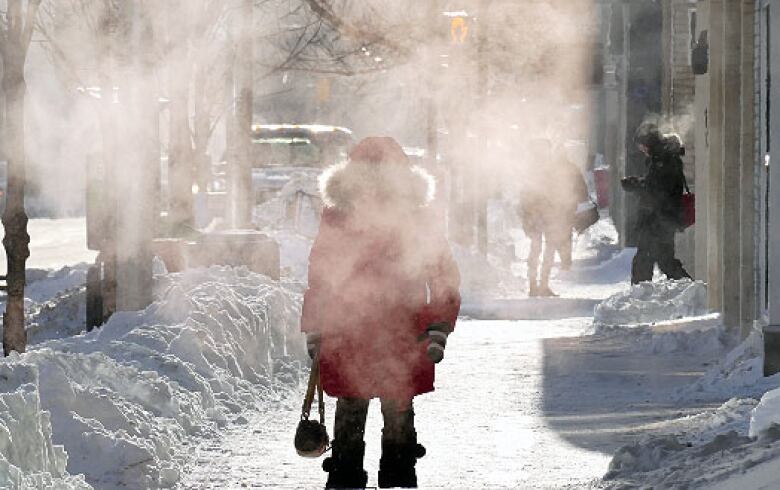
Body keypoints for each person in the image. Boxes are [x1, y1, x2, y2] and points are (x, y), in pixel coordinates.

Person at [300, 137, 461, 489]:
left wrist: (316, 328)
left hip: (363, 330)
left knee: (359, 407)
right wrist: (438, 326)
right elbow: (445, 276)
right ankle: (392, 475)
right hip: (388, 330)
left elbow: (320, 277)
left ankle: (353, 475)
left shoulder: (343, 217)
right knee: (395, 408)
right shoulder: (413, 217)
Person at [622, 123, 692, 284]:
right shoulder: (661, 158)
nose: (642, 150)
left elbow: (658, 191)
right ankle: (691, 290)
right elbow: (655, 185)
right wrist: (639, 183)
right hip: (662, 219)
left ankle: (639, 296)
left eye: (642, 145)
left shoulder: (663, 160)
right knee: (664, 261)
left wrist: (636, 186)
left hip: (659, 219)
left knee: (646, 261)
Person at [519, 139, 589, 297]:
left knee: (541, 249)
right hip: (542, 213)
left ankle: (538, 285)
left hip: (545, 213)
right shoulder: (544, 168)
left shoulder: (540, 167)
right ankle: (538, 285)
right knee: (542, 249)